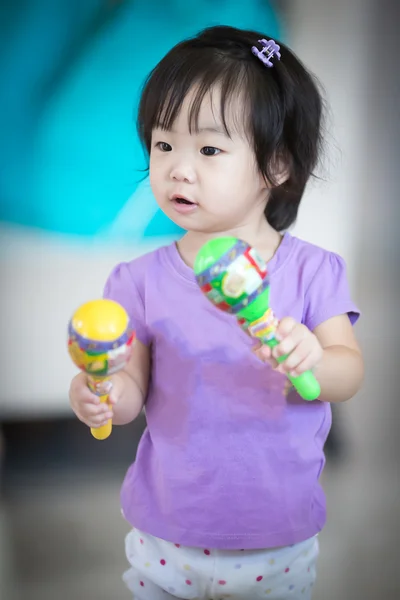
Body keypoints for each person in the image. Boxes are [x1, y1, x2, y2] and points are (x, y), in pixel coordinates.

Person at [69, 25, 364, 599]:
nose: (179, 168)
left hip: (277, 538)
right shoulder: (137, 281)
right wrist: (100, 393)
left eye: (208, 149)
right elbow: (129, 392)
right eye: (163, 145)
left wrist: (313, 357)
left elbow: (348, 373)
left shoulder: (313, 272)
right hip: (165, 536)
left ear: (276, 164)